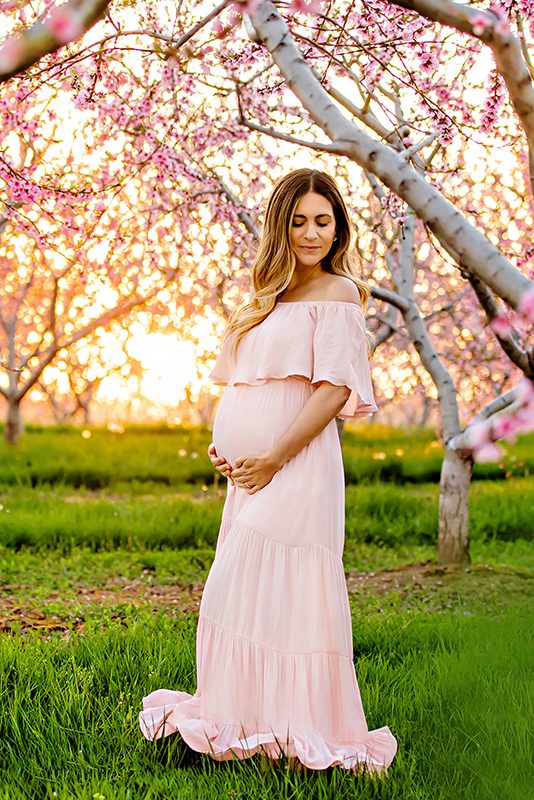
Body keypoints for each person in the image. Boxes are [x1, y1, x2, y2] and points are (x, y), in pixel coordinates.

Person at [139, 168, 398, 773]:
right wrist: (227, 447)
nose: (311, 233)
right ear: (280, 224)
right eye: (299, 220)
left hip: (297, 466)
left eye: (323, 221)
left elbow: (333, 390)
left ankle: (295, 728)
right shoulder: (268, 297)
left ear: (339, 229)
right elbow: (247, 387)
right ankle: (251, 724)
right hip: (251, 472)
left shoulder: (338, 294)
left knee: (268, 589)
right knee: (243, 596)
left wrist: (275, 454)